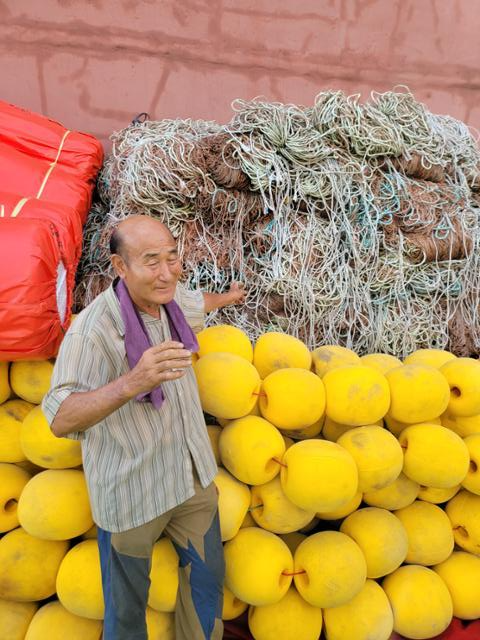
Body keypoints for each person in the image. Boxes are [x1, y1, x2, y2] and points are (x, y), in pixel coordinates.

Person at [42, 215, 246, 640]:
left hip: (190, 479)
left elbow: (197, 302)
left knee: (206, 588)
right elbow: (60, 417)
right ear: (120, 267)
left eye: (173, 257)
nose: (167, 271)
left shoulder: (171, 299)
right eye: (151, 261)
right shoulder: (93, 331)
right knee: (127, 610)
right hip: (131, 491)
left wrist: (228, 297)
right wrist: (134, 381)